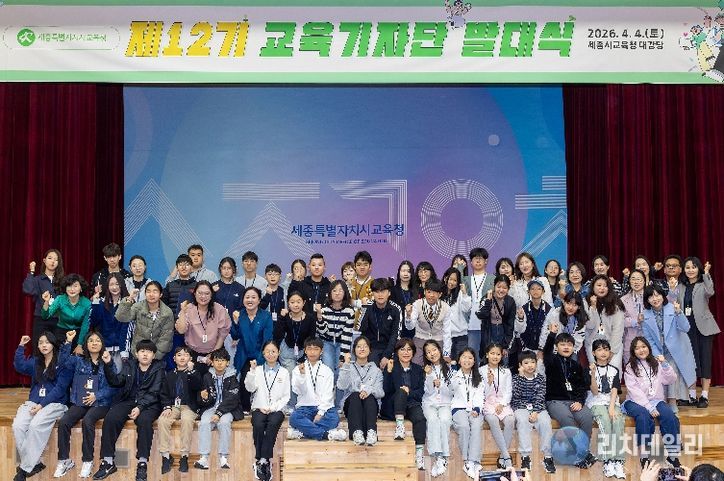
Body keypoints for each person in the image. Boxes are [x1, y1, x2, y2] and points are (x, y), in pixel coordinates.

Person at [93, 339, 164, 481]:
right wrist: (108, 364)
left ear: (154, 355)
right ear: (136, 354)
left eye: (149, 352)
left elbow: (155, 392)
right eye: (142, 351)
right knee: (111, 417)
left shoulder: (159, 369)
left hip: (150, 404)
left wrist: (140, 407)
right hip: (129, 401)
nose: (145, 354)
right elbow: (116, 382)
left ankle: (142, 464)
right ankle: (108, 461)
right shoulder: (130, 365)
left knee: (144, 421)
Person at [54, 330, 115, 479]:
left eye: (97, 340)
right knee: (64, 422)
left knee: (88, 420)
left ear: (102, 344)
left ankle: (87, 461)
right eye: (91, 340)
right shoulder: (78, 360)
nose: (94, 343)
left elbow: (113, 386)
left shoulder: (107, 361)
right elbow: (61, 362)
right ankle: (64, 460)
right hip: (80, 401)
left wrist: (97, 396)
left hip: (100, 403)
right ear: (86, 344)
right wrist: (68, 342)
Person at [12, 331, 72, 481]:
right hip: (34, 402)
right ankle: (35, 463)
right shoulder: (36, 362)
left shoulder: (62, 362)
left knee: (35, 425)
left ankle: (24, 470)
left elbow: (60, 389)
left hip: (55, 403)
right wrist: (21, 346)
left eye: (47, 342)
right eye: (40, 343)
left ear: (53, 344)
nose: (44, 345)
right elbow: (19, 366)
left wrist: (42, 405)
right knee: (18, 425)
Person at [622, 336, 681, 469]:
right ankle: (644, 456)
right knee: (643, 416)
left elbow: (670, 380)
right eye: (637, 348)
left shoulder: (656, 363)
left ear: (648, 348)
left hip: (656, 400)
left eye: (643, 347)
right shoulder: (630, 367)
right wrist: (649, 407)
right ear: (633, 351)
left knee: (669, 415)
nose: (641, 350)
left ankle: (673, 456)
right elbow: (634, 391)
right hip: (635, 401)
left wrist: (665, 364)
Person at [543, 329, 597, 469]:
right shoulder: (551, 361)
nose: (566, 347)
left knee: (587, 416)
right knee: (568, 420)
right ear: (556, 347)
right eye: (562, 344)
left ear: (573, 347)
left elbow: (581, 387)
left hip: (573, 402)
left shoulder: (576, 365)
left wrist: (580, 402)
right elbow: (547, 351)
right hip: (555, 401)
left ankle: (582, 452)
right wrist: (552, 335)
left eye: (569, 344)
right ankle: (579, 455)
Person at [641, 284, 696, 410]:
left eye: (657, 295)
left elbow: (686, 328)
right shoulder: (645, 315)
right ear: (647, 300)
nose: (655, 299)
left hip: (678, 348)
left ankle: (672, 402)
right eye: (651, 297)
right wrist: (657, 355)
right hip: (659, 350)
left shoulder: (672, 308)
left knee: (670, 367)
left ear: (663, 296)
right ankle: (660, 401)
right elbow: (649, 340)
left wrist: (679, 313)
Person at [245, 341, 290, 481]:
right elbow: (249, 388)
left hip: (277, 408)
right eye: (268, 351)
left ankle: (262, 460)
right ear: (263, 353)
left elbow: (286, 396)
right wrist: (252, 371)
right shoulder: (257, 370)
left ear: (278, 353)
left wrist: (273, 408)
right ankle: (263, 461)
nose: (271, 354)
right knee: (258, 424)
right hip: (259, 406)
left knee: (273, 423)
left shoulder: (284, 372)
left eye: (273, 351)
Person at [287, 338, 347, 441]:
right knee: (294, 418)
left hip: (324, 407)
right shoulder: (298, 369)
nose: (312, 352)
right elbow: (297, 391)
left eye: (316, 349)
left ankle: (302, 432)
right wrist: (302, 376)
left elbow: (328, 395)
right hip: (305, 408)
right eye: (309, 349)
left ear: (321, 351)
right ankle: (326, 435)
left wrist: (320, 413)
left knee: (334, 418)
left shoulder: (327, 370)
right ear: (305, 351)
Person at [194, 347, 244, 470]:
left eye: (222, 360)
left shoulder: (233, 377)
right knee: (204, 423)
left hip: (228, 410)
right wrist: (204, 398)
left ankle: (223, 457)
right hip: (211, 408)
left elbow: (232, 399)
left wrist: (219, 413)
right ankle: (204, 458)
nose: (220, 363)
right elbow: (202, 400)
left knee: (224, 423)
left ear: (228, 362)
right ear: (212, 362)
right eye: (216, 360)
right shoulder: (207, 376)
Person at [381, 338, 427, 470]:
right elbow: (385, 391)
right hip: (393, 406)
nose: (406, 352)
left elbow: (420, 392)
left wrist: (409, 391)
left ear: (413, 352)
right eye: (402, 349)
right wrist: (388, 372)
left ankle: (419, 454)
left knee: (420, 418)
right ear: (397, 352)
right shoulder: (391, 366)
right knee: (401, 391)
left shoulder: (418, 369)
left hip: (410, 403)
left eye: (409, 349)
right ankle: (399, 427)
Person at [679, 257, 719, 408]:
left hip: (704, 328)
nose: (690, 270)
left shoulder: (703, 284)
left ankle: (704, 395)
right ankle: (691, 395)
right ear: (684, 269)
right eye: (688, 267)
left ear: (699, 268)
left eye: (694, 267)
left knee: (705, 360)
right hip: (686, 329)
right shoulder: (681, 286)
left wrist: (707, 274)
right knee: (690, 361)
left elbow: (711, 292)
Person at [158, 346, 201, 474]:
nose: (182, 358)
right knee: (163, 420)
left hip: (189, 406)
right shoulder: (169, 375)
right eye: (179, 355)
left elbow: (197, 387)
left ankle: (184, 456)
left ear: (190, 358)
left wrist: (191, 372)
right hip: (174, 406)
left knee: (186, 420)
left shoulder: (195, 373)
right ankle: (165, 456)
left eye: (186, 355)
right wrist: (166, 406)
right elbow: (163, 393)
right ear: (174, 358)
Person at [175, 280, 232, 377]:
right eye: (200, 293)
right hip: (192, 353)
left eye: (207, 293)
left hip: (215, 352)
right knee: (193, 381)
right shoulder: (188, 308)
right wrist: (183, 312)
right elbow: (181, 330)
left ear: (211, 295)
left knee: (212, 382)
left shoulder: (219, 309)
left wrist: (213, 354)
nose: (203, 296)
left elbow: (222, 335)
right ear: (194, 294)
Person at [586, 339, 626, 479]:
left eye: (606, 349)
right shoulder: (589, 369)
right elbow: (594, 392)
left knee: (618, 421)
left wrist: (612, 407)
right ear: (593, 353)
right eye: (599, 349)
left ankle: (618, 461)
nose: (603, 352)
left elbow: (615, 390)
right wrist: (592, 374)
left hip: (612, 402)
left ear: (609, 352)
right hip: (595, 403)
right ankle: (607, 461)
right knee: (605, 422)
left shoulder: (614, 370)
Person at [230, 287, 274, 412]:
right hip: (244, 356)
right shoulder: (240, 314)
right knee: (244, 383)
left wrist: (260, 360)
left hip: (262, 356)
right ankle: (245, 410)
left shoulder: (266, 316)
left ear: (259, 300)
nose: (250, 300)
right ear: (243, 300)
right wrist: (235, 322)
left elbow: (267, 340)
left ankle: (262, 408)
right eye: (247, 297)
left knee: (261, 384)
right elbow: (235, 336)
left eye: (253, 297)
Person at [511, 350, 555, 474]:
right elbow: (516, 396)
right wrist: (520, 377)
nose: (530, 365)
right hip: (521, 407)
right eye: (526, 363)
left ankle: (548, 457)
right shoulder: (516, 378)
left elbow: (540, 397)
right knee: (522, 421)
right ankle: (525, 456)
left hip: (538, 407)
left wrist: (535, 411)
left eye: (532, 362)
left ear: (536, 363)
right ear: (520, 365)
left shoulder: (540, 378)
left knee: (545, 422)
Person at [337, 336, 384, 445]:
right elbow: (341, 386)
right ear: (354, 350)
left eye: (365, 346)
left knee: (370, 397)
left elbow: (380, 392)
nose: (362, 349)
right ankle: (357, 432)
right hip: (351, 406)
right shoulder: (348, 367)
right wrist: (346, 365)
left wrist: (368, 390)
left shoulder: (376, 370)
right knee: (355, 395)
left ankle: (371, 432)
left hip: (370, 407)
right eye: (359, 346)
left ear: (370, 350)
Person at [317, 279, 356, 408]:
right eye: (334, 290)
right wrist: (320, 317)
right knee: (328, 372)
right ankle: (327, 402)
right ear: (330, 293)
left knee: (341, 372)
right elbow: (322, 332)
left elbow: (347, 335)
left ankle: (339, 404)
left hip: (341, 343)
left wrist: (343, 356)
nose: (337, 293)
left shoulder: (350, 312)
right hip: (327, 342)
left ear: (345, 293)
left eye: (340, 290)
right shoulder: (324, 309)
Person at [274, 291, 315, 411]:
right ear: (288, 304)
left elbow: (311, 338)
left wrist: (305, 356)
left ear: (304, 303)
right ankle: (291, 404)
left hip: (304, 350)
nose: (295, 305)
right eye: (292, 302)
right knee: (290, 374)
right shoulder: (285, 317)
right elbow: (277, 335)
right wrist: (281, 318)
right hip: (287, 350)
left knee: (304, 375)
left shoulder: (310, 318)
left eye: (298, 302)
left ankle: (305, 403)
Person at [115, 281, 174, 362]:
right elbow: (121, 317)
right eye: (148, 291)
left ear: (160, 294)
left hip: (157, 357)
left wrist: (154, 356)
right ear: (145, 294)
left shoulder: (167, 313)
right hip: (138, 354)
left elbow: (166, 338)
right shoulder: (138, 307)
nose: (151, 294)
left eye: (155, 291)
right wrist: (129, 299)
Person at [450, 348, 486, 479]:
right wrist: (453, 372)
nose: (467, 360)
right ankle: (467, 461)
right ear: (459, 360)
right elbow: (450, 390)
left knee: (476, 426)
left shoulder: (478, 377)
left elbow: (480, 395)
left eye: (470, 357)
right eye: (464, 357)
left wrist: (477, 409)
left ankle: (474, 461)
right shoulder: (454, 375)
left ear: (474, 361)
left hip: (474, 409)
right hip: (458, 408)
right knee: (464, 426)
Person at [422, 340, 454, 478]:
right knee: (432, 420)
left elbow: (453, 391)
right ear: (426, 356)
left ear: (439, 351)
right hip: (429, 403)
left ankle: (444, 456)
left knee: (445, 420)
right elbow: (427, 391)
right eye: (428, 352)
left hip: (445, 403)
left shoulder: (450, 368)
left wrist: (442, 385)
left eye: (434, 350)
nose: (432, 354)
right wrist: (429, 376)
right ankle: (437, 456)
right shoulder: (425, 369)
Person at [481, 342, 515, 471]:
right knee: (492, 420)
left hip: (502, 402)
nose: (495, 356)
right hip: (488, 402)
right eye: (492, 353)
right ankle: (507, 456)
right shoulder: (480, 371)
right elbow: (481, 393)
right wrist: (489, 383)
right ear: (487, 355)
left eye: (498, 354)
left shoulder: (506, 371)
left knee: (510, 420)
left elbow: (509, 391)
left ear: (502, 356)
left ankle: (502, 457)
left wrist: (502, 404)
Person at [476, 275, 524, 363]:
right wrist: (488, 301)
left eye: (504, 288)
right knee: (488, 360)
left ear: (508, 289)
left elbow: (510, 325)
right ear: (494, 286)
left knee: (502, 361)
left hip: (503, 332)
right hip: (489, 332)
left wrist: (506, 346)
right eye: (498, 287)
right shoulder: (486, 298)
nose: (501, 290)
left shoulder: (510, 301)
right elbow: (481, 315)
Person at [89, 272, 129, 371]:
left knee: (118, 377)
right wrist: (95, 302)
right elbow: (93, 322)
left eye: (117, 284)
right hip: (104, 349)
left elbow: (126, 329)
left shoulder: (127, 303)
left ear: (122, 285)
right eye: (111, 284)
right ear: (107, 286)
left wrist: (124, 350)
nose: (114, 287)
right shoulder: (101, 303)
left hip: (121, 351)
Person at [41, 273, 92, 351]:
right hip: (61, 334)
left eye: (75, 286)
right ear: (65, 288)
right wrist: (46, 302)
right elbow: (45, 316)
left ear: (81, 288)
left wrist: (80, 345)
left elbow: (85, 325)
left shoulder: (87, 303)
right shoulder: (60, 299)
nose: (72, 289)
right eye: (69, 286)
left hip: (79, 335)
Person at [406, 279, 452, 365]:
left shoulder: (446, 308)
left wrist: (446, 353)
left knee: (440, 366)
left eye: (435, 292)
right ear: (424, 292)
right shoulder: (417, 304)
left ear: (440, 294)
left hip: (438, 340)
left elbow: (447, 331)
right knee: (416, 364)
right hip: (420, 339)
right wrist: (408, 316)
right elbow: (410, 327)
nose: (431, 295)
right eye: (429, 292)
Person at [586, 275, 626, 372]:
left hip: (613, 343)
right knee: (596, 373)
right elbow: (589, 326)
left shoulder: (616, 303)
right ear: (593, 287)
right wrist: (593, 307)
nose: (602, 288)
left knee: (614, 373)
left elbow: (618, 329)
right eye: (599, 285)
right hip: (593, 343)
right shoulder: (586, 302)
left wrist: (611, 351)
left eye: (605, 285)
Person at [359, 277, 402, 368]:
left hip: (389, 347)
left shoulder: (395, 310)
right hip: (372, 348)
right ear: (372, 293)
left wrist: (387, 355)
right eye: (377, 292)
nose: (380, 295)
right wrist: (364, 309)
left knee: (390, 369)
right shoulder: (368, 307)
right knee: (372, 367)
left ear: (389, 293)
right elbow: (361, 329)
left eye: (383, 291)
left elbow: (395, 335)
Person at [23, 248, 64, 343]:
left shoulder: (62, 280)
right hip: (41, 319)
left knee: (57, 348)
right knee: (39, 347)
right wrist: (31, 271)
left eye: (56, 259)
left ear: (58, 263)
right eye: (50, 258)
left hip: (58, 320)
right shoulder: (37, 279)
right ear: (44, 261)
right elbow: (28, 290)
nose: (53, 261)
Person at [464, 248, 495, 358]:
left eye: (480, 258)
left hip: (488, 324)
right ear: (471, 262)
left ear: (486, 261)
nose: (478, 261)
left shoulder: (493, 279)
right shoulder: (465, 280)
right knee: (471, 356)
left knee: (489, 355)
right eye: (475, 258)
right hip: (470, 324)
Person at [514, 279, 552, 368]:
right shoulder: (523, 308)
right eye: (532, 289)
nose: (535, 291)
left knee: (542, 372)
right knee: (526, 371)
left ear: (543, 291)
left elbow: (547, 331)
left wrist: (542, 349)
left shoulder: (549, 309)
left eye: (538, 289)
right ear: (528, 292)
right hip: (527, 348)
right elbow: (519, 330)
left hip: (543, 349)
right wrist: (520, 318)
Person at [539, 290, 587, 356]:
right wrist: (541, 349)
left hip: (571, 351)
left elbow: (578, 340)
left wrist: (568, 352)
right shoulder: (555, 314)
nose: (570, 307)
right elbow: (545, 332)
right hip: (553, 349)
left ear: (579, 307)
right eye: (568, 303)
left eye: (574, 305)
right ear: (564, 302)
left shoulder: (581, 319)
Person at [442, 267, 472, 361]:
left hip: (460, 336)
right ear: (445, 278)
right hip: (444, 337)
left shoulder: (460, 294)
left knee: (462, 362)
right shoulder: (439, 294)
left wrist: (464, 294)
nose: (452, 282)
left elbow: (467, 309)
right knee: (446, 364)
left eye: (455, 280)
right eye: (450, 279)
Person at [289, 253, 332, 318]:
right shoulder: (302, 284)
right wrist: (295, 281)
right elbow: (290, 299)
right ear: (309, 267)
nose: (316, 267)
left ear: (324, 267)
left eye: (320, 265)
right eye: (313, 265)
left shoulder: (329, 285)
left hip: (325, 322)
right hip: (305, 322)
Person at [621, 269, 647, 365]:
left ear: (644, 281)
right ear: (629, 281)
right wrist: (635, 322)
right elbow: (620, 320)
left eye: (639, 279)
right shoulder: (623, 300)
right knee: (631, 369)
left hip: (649, 339)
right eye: (633, 279)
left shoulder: (651, 297)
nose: (636, 282)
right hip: (630, 340)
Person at [391, 260, 418, 339]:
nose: (405, 274)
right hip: (398, 328)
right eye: (403, 271)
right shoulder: (393, 291)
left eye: (408, 271)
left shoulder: (417, 290)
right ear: (399, 273)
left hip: (415, 329)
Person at [350, 251, 374, 331]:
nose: (362, 267)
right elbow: (344, 302)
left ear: (370, 267)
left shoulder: (375, 284)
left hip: (367, 327)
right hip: (348, 326)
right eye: (359, 264)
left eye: (365, 264)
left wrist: (353, 302)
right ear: (355, 266)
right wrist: (359, 303)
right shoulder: (348, 283)